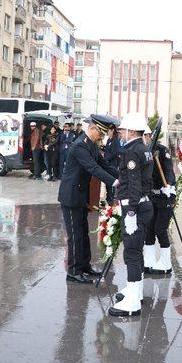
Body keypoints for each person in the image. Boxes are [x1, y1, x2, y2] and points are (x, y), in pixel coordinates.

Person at [58, 114, 119, 284]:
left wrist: (121, 176)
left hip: (80, 195)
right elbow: (93, 168)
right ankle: (74, 271)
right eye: (101, 134)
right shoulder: (80, 146)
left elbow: (104, 165)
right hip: (70, 197)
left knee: (83, 233)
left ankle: (85, 267)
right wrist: (115, 182)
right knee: (75, 235)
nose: (102, 137)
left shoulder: (91, 145)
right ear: (93, 129)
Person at [109, 113, 154, 317]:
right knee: (137, 251)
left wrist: (131, 213)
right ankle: (134, 290)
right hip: (144, 204)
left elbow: (135, 184)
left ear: (132, 131)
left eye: (123, 130)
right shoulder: (144, 149)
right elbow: (139, 180)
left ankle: (133, 301)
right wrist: (122, 181)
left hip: (134, 207)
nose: (121, 133)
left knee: (132, 253)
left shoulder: (132, 151)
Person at [144, 130, 176, 275]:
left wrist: (169, 185)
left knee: (160, 229)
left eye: (146, 135)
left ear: (151, 136)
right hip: (151, 196)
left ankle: (166, 263)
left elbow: (169, 170)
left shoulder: (161, 150)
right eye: (142, 135)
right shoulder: (142, 151)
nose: (145, 138)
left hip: (165, 195)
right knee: (149, 229)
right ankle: (149, 261)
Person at [104, 125, 121, 203]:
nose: (108, 132)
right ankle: (108, 197)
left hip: (112, 164)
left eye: (109, 130)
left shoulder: (115, 140)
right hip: (107, 164)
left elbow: (114, 152)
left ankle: (112, 198)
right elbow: (107, 150)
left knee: (111, 182)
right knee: (107, 182)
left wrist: (106, 159)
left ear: (112, 130)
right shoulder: (109, 140)